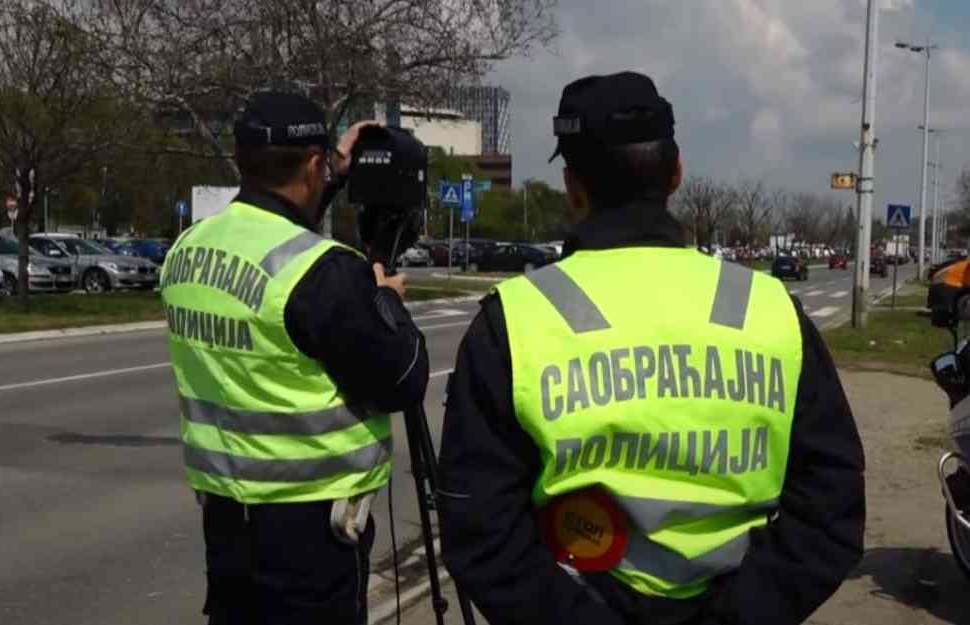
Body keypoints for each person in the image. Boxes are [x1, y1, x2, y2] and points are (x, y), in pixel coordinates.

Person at [437, 72, 865, 625]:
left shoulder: (514, 318)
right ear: (677, 173)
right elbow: (831, 506)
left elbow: (479, 528)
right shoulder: (769, 308)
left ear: (573, 186)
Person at [160, 91, 429, 625]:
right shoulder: (326, 273)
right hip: (310, 532)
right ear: (313, 164)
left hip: (226, 522)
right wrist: (387, 299)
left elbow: (273, 242)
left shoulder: (185, 250)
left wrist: (329, 178)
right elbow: (404, 378)